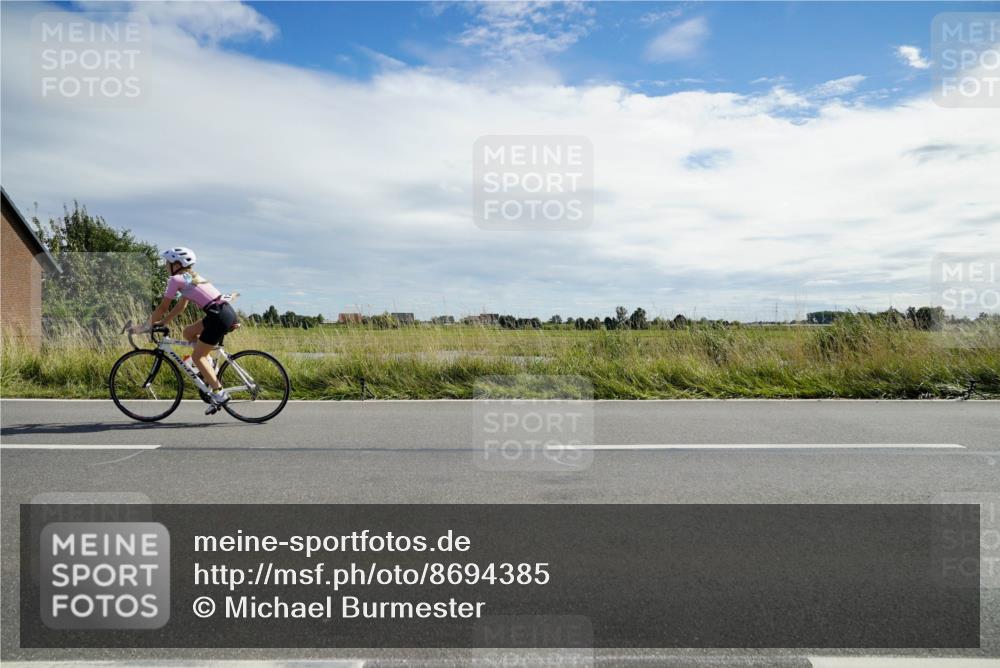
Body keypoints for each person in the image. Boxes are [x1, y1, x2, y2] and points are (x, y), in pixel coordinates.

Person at [131, 247, 238, 413]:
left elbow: (163, 306)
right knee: (188, 333)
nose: (165, 265)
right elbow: (180, 307)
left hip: (218, 317)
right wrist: (163, 322)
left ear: (177, 264)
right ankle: (209, 369)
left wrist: (144, 327)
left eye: (168, 262)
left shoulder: (176, 279)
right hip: (222, 312)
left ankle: (219, 393)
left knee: (197, 356)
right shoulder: (190, 278)